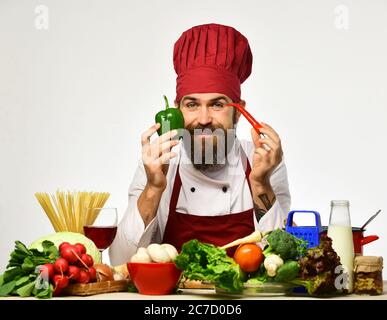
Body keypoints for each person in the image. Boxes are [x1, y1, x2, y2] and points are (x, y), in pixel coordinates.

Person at [109, 23, 290, 265]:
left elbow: (284, 259)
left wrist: (260, 184)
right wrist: (153, 188)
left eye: (217, 104)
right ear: (177, 110)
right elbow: (121, 261)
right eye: (192, 105)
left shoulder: (262, 162)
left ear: (238, 112)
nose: (204, 119)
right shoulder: (159, 163)